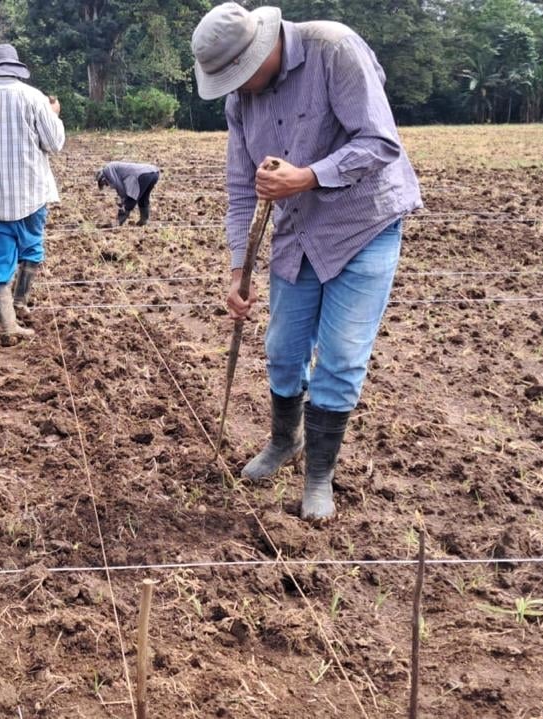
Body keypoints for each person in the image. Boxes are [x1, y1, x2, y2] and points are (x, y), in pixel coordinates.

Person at [192, 3, 422, 520]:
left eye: (240, 74)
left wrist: (308, 176)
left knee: (339, 357)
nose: (238, 86)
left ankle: (319, 476)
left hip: (363, 224)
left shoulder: (333, 49)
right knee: (283, 348)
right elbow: (238, 185)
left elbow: (381, 142)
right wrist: (237, 271)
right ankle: (284, 442)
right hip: (297, 232)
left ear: (262, 48)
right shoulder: (240, 99)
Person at [0, 44, 65, 346]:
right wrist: (54, 115)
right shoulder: (33, 98)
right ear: (16, 68)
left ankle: (9, 325)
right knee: (31, 248)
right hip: (31, 195)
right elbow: (55, 143)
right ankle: (20, 303)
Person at [96, 161, 161, 226]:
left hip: (141, 175)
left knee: (131, 199)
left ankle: (118, 222)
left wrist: (123, 201)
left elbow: (120, 187)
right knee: (143, 198)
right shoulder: (112, 168)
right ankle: (144, 220)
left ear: (103, 178)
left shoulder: (108, 171)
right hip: (154, 173)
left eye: (104, 183)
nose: (107, 185)